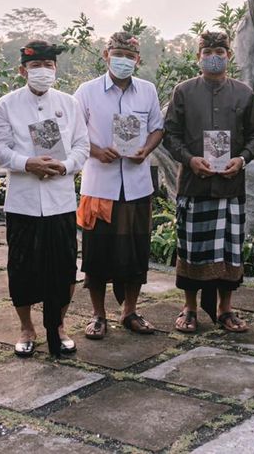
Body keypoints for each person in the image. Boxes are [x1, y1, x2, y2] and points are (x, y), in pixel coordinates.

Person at [0, 40, 89, 356]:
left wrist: (66, 165)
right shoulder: (7, 104)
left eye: (48, 65)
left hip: (60, 201)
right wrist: (26, 163)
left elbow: (82, 146)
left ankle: (59, 326)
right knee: (21, 266)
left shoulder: (69, 103)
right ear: (23, 70)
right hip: (23, 201)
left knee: (64, 266)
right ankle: (26, 327)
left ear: (56, 69)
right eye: (36, 66)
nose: (43, 71)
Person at [162, 31, 254, 334]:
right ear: (198, 57)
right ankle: (189, 308)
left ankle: (225, 309)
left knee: (230, 251)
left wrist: (242, 158)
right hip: (195, 183)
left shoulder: (244, 93)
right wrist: (190, 159)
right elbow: (171, 135)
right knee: (192, 248)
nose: (214, 56)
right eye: (207, 51)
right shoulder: (183, 91)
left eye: (220, 50)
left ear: (229, 56)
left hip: (231, 186)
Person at [74, 32, 165, 340]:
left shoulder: (147, 91)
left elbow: (157, 128)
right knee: (97, 253)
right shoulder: (86, 92)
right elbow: (73, 133)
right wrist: (97, 151)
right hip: (100, 185)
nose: (124, 59)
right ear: (106, 54)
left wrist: (146, 150)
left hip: (137, 186)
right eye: (118, 52)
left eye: (130, 55)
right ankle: (98, 315)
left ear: (138, 60)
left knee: (136, 252)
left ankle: (130, 311)